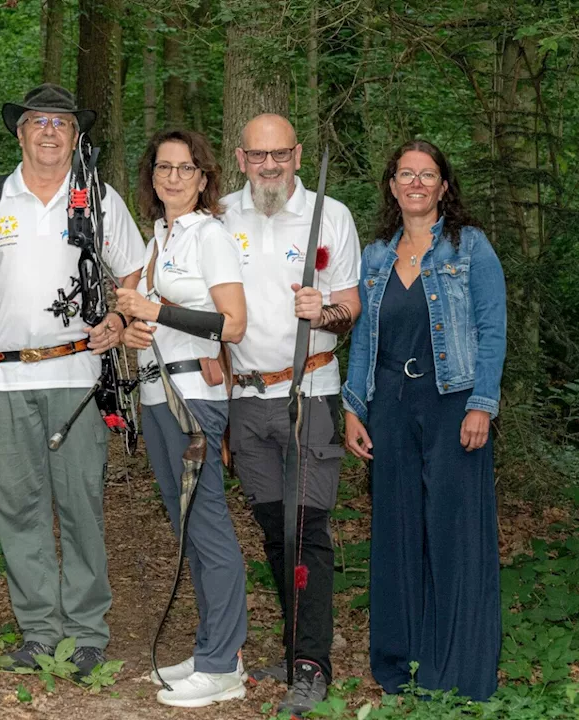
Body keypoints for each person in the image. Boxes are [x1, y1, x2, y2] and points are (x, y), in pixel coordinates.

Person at [0, 84, 146, 678]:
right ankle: (38, 631)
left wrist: (117, 316)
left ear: (75, 134)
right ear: (21, 132)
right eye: (38, 122)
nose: (50, 132)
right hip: (3, 376)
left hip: (78, 373)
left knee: (79, 502)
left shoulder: (99, 201)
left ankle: (87, 633)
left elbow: (134, 270)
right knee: (17, 505)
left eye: (61, 122)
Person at [343, 139, 506, 700]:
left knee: (453, 535)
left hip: (451, 404)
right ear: (391, 186)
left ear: (443, 186)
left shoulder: (470, 248)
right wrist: (352, 407)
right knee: (395, 533)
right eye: (406, 174)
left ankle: (457, 673)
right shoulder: (374, 257)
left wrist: (482, 403)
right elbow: (363, 338)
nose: (416, 183)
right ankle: (400, 665)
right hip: (388, 403)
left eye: (427, 174)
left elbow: (492, 331)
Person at [217, 114, 362, 715]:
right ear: (241, 157)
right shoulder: (222, 214)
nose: (270, 166)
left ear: (298, 155)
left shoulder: (333, 214)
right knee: (276, 534)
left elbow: (351, 308)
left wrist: (322, 307)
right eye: (258, 156)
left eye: (280, 155)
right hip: (246, 401)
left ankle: (311, 665)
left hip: (311, 394)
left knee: (309, 533)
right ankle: (294, 645)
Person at [113, 130, 248, 708]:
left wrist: (155, 309)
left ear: (203, 177)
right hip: (154, 394)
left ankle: (223, 665)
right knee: (186, 524)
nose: (173, 177)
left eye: (185, 168)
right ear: (152, 178)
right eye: (163, 168)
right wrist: (133, 326)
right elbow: (152, 321)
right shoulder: (157, 238)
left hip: (193, 398)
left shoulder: (209, 236)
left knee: (207, 523)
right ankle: (212, 648)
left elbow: (233, 324)